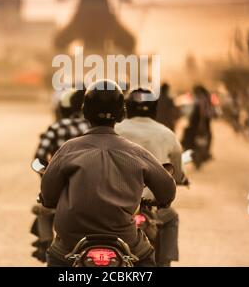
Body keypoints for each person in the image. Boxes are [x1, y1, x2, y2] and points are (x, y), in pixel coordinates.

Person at [41, 79, 176, 267]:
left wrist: (50, 200)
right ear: (122, 114)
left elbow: (48, 195)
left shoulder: (68, 150)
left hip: (71, 240)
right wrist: (162, 200)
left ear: (85, 112)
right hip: (124, 238)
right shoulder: (137, 153)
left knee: (55, 256)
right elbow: (167, 190)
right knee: (146, 257)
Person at [116, 87, 188, 267]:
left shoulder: (116, 129)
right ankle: (164, 262)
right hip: (151, 202)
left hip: (117, 201)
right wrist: (179, 178)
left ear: (128, 107)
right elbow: (177, 169)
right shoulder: (166, 133)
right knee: (171, 217)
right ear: (154, 108)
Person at [31, 88, 89, 262]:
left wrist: (47, 181)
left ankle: (45, 244)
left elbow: (39, 157)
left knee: (43, 208)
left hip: (61, 190)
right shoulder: (95, 129)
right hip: (95, 189)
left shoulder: (57, 128)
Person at [181, 85, 214, 169]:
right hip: (203, 123)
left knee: (189, 137)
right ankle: (205, 153)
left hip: (198, 123)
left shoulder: (201, 99)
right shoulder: (206, 98)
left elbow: (202, 114)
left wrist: (201, 124)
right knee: (207, 137)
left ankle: (197, 153)